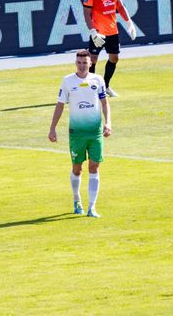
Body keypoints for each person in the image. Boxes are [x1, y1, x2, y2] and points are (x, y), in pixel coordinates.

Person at [48, 49, 112, 218]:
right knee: (77, 169)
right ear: (75, 63)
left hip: (95, 132)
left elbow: (104, 103)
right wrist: (52, 128)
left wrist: (108, 123)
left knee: (94, 166)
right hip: (76, 133)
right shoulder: (67, 81)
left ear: (91, 63)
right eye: (79, 63)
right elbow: (60, 105)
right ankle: (77, 199)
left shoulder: (98, 80)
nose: (82, 66)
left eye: (85, 63)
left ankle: (92, 207)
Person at [83, 0, 136, 98]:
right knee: (92, 59)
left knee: (114, 58)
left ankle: (105, 86)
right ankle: (92, 88)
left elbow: (120, 6)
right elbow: (86, 14)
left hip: (112, 31)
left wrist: (129, 23)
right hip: (98, 33)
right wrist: (93, 32)